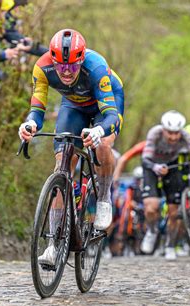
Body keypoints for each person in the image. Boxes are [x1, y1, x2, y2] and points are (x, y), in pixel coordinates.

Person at [18, 29, 124, 265]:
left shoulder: (96, 67)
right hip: (73, 106)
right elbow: (37, 109)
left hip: (104, 105)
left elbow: (110, 115)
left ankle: (104, 198)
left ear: (82, 59)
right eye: (60, 66)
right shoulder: (42, 67)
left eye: (73, 67)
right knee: (61, 166)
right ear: (52, 60)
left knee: (103, 146)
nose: (66, 72)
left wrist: (98, 130)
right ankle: (53, 245)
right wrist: (29, 124)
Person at [139, 110, 190, 261]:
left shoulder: (185, 135)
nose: (174, 137)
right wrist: (155, 167)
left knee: (174, 212)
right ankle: (152, 231)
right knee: (151, 207)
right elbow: (145, 158)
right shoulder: (154, 134)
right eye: (170, 133)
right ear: (163, 130)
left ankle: (170, 245)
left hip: (171, 167)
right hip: (151, 166)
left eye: (176, 133)